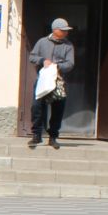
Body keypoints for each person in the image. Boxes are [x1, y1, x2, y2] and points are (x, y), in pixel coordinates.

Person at [28, 18, 74, 148]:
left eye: (66, 30)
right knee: (37, 106)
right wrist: (43, 60)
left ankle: (53, 137)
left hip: (59, 82)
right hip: (43, 80)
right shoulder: (42, 42)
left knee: (58, 108)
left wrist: (57, 66)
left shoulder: (68, 45)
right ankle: (36, 135)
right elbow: (32, 56)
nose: (66, 32)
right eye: (63, 30)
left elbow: (70, 63)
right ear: (55, 30)